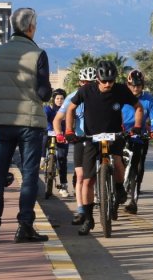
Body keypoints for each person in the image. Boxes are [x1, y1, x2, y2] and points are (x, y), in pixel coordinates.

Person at [0, 7, 52, 244]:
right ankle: (24, 227)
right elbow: (43, 92)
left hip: (1, 123)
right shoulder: (38, 54)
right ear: (31, 27)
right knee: (30, 175)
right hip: (29, 123)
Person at [64, 60, 143, 236]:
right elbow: (70, 109)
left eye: (111, 81)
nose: (108, 84)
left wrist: (137, 127)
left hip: (114, 134)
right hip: (91, 138)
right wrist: (69, 130)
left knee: (117, 159)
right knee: (87, 180)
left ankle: (119, 186)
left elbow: (138, 107)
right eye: (104, 81)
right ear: (97, 79)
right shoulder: (86, 90)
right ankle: (89, 218)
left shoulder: (121, 90)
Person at [53, 67, 95, 225]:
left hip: (97, 138)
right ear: (80, 82)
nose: (87, 85)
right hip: (79, 139)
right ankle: (81, 209)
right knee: (81, 176)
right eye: (85, 82)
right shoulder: (72, 97)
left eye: (91, 82)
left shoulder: (100, 96)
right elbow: (57, 119)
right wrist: (59, 134)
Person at [120, 69, 153, 214]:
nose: (135, 88)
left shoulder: (148, 99)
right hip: (121, 132)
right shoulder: (121, 97)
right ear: (128, 85)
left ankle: (133, 201)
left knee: (138, 167)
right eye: (132, 85)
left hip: (139, 135)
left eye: (139, 85)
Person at [44, 88, 70, 198]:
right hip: (49, 134)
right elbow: (44, 119)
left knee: (62, 158)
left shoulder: (68, 110)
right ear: (53, 99)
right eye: (57, 98)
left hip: (62, 136)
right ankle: (41, 158)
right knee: (42, 137)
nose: (59, 100)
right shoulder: (48, 109)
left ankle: (63, 185)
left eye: (62, 98)